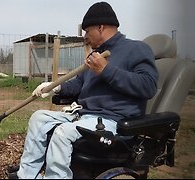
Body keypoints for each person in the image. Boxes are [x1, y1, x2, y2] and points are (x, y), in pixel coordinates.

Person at [15, 1, 159, 179]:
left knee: (62, 133)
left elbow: (148, 86)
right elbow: (78, 84)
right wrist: (55, 88)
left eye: (87, 31)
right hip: (84, 117)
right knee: (38, 118)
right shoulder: (95, 55)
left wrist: (107, 71)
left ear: (100, 27)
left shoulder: (137, 49)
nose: (85, 36)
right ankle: (26, 175)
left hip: (114, 122)